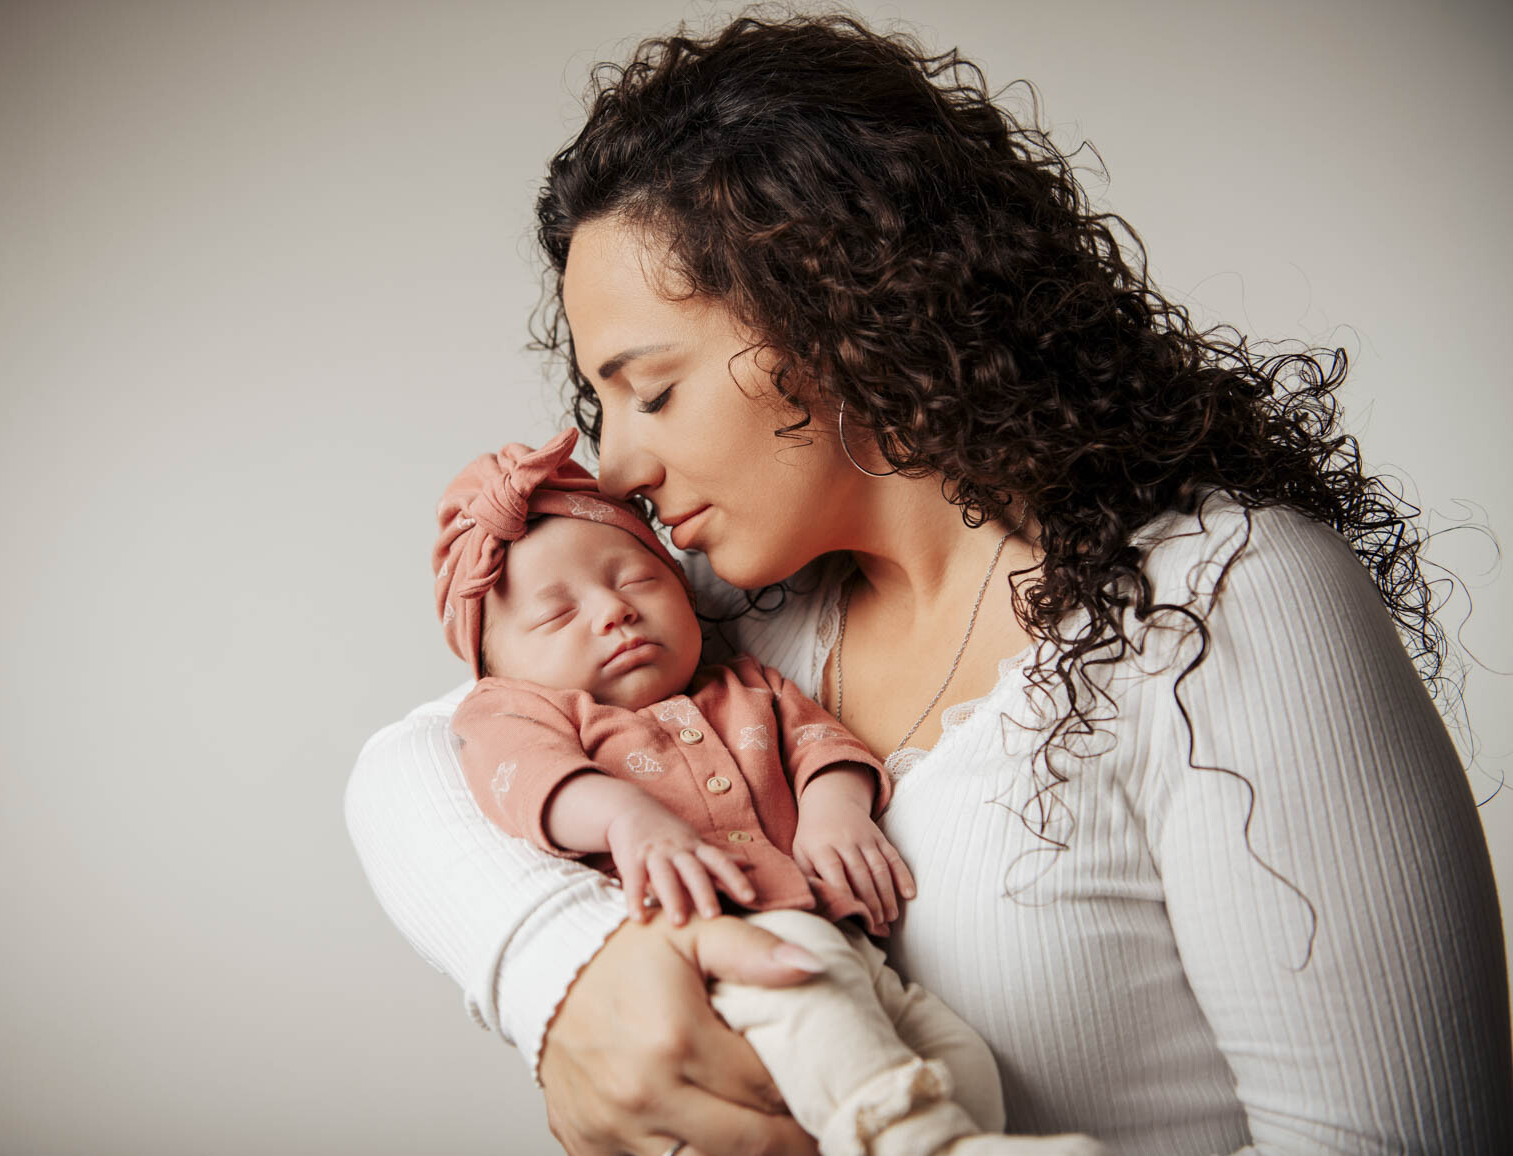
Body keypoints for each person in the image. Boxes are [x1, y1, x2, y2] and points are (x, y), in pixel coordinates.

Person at [346, 12, 1512, 1155]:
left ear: (838, 311)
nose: (617, 467)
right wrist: (561, 974)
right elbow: (418, 759)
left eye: (649, 390)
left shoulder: (1219, 603)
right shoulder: (746, 605)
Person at [428, 425, 1102, 1155]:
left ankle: (962, 1135)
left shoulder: (743, 682)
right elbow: (529, 776)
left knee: (957, 1057)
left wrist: (833, 809)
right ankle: (925, 1146)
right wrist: (626, 819)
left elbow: (821, 743)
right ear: (497, 670)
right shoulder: (519, 712)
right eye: (559, 614)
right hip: (724, 948)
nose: (613, 611)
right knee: (823, 1030)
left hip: (842, 939)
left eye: (637, 580)